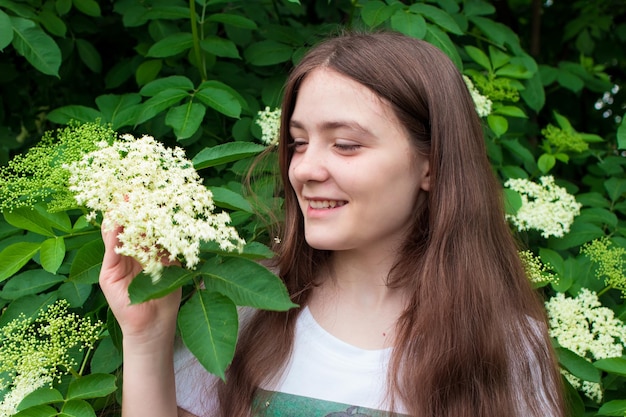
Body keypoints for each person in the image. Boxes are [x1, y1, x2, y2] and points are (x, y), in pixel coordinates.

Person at [99, 30, 566, 417]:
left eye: (345, 144)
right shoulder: (248, 310)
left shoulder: (508, 346)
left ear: (432, 165)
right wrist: (147, 337)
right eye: (299, 143)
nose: (303, 169)